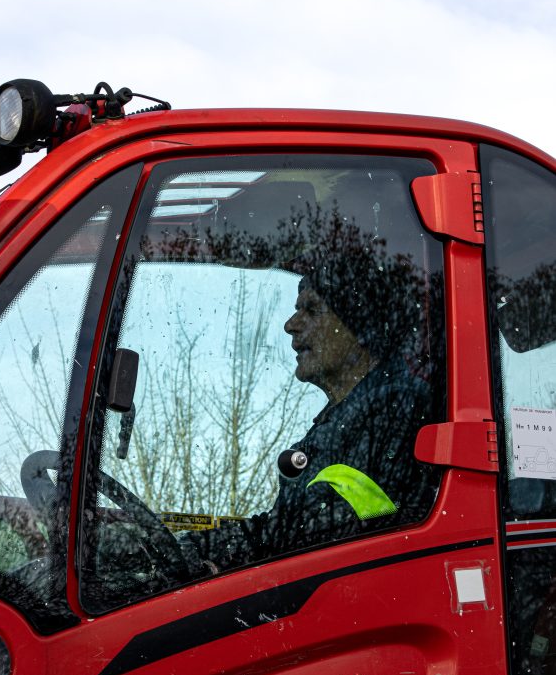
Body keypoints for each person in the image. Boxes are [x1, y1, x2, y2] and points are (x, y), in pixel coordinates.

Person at [179, 244, 440, 576]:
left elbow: (315, 536)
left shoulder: (395, 412)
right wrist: (188, 550)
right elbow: (287, 529)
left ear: (359, 326)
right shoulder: (347, 417)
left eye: (312, 310)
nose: (290, 324)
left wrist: (207, 559)